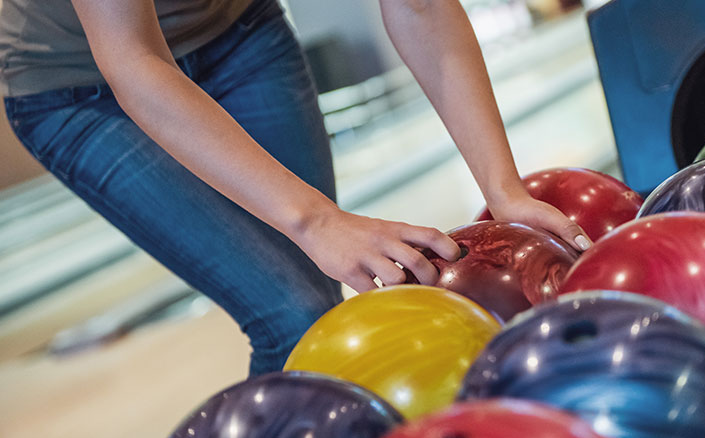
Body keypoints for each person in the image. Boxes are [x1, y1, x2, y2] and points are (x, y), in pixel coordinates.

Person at [0, 0, 591, 375]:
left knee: (315, 309)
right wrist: (318, 221)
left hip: (240, 33)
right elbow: (132, 59)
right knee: (293, 313)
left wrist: (503, 188)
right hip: (79, 86)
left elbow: (420, 5)